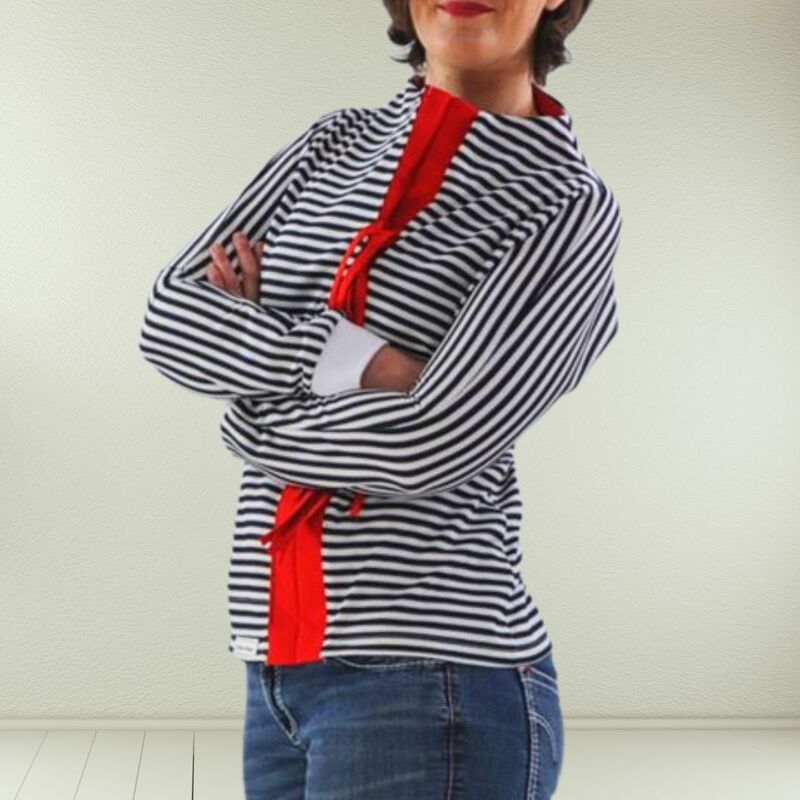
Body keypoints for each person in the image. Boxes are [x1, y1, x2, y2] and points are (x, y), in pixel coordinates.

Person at [138, 0, 620, 797]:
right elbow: (172, 320)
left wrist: (252, 407)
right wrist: (366, 363)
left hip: (434, 680)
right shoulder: (330, 144)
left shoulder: (565, 206)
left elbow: (429, 440)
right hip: (275, 668)